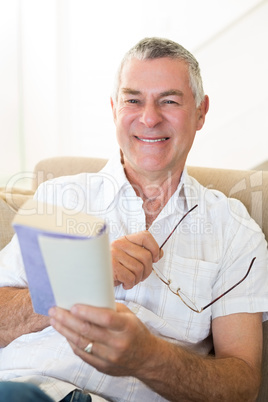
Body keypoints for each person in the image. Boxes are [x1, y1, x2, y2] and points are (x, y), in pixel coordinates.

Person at [0, 37, 267, 402]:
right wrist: (82, 277)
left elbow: (243, 385)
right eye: (133, 100)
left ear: (201, 112)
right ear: (114, 109)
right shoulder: (59, 197)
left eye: (169, 101)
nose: (149, 118)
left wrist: (149, 358)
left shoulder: (234, 230)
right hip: (19, 387)